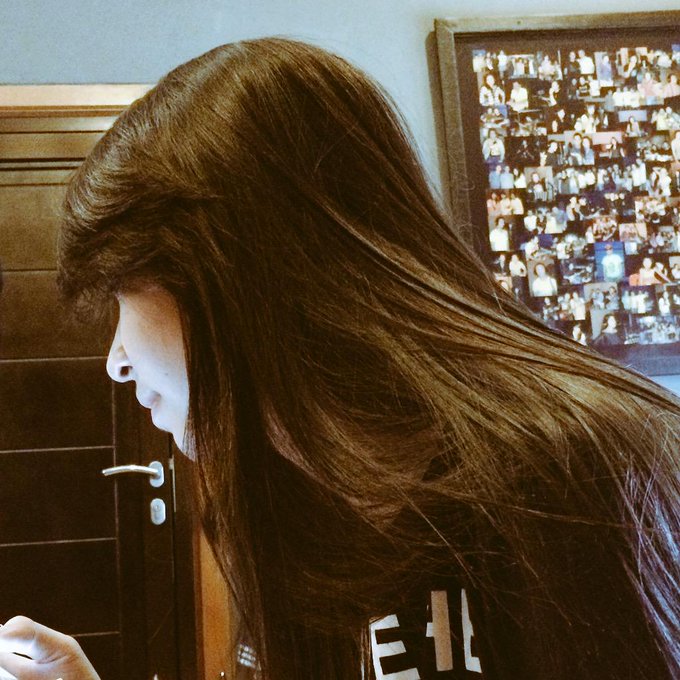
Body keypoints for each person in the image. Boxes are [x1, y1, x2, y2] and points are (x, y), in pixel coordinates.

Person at [1, 38, 680, 680]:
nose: (116, 362)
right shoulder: (290, 504)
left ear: (242, 276)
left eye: (123, 290)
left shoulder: (588, 475)